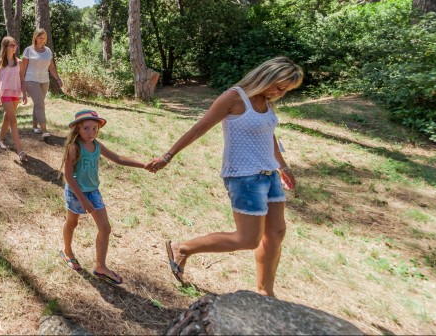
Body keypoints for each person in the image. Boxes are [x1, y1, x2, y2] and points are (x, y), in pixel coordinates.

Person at [146, 57, 303, 297]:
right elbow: (198, 129)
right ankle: (182, 248)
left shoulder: (267, 102)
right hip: (244, 176)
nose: (281, 93)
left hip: (269, 175)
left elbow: (269, 135)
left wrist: (283, 166)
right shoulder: (234, 98)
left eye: (286, 90)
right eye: (280, 87)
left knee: (276, 233)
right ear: (266, 77)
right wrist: (168, 156)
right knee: (248, 239)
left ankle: (265, 293)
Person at [61, 109, 149, 285]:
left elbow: (118, 159)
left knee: (105, 228)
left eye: (95, 128)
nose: (91, 133)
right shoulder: (74, 147)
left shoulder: (97, 146)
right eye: (86, 128)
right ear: (78, 129)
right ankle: (67, 251)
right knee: (72, 222)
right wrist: (83, 199)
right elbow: (68, 176)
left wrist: (144, 165)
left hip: (93, 192)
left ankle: (100, 266)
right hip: (76, 192)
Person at [20, 28, 63, 140]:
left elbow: (51, 67)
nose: (42, 40)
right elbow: (23, 68)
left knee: (38, 103)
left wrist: (58, 79)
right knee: (40, 103)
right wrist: (22, 82)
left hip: (44, 80)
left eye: (44, 38)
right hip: (30, 80)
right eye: (40, 37)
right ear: (35, 37)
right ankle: (44, 130)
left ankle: (35, 127)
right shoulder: (28, 50)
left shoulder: (48, 51)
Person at [0, 36, 28, 162]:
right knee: (13, 120)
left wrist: (24, 94)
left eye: (15, 45)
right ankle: (20, 151)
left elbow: (22, 79)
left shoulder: (20, 62)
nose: (14, 47)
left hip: (16, 93)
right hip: (5, 94)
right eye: (12, 45)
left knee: (7, 117)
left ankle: (0, 140)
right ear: (5, 47)